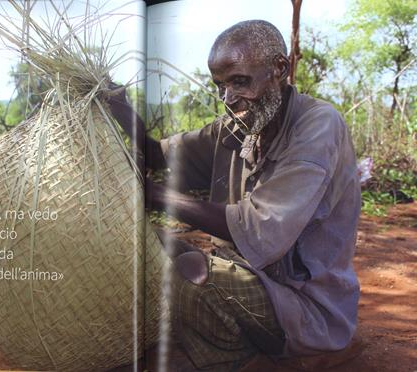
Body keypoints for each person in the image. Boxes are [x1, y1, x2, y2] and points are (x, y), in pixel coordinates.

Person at [107, 19, 360, 371]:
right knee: (149, 245)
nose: (228, 99)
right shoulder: (240, 126)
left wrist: (156, 196)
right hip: (246, 276)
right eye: (221, 86)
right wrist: (119, 106)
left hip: (304, 307)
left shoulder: (317, 125)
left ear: (279, 69)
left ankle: (238, 361)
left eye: (239, 81)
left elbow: (261, 229)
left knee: (192, 276)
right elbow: (156, 154)